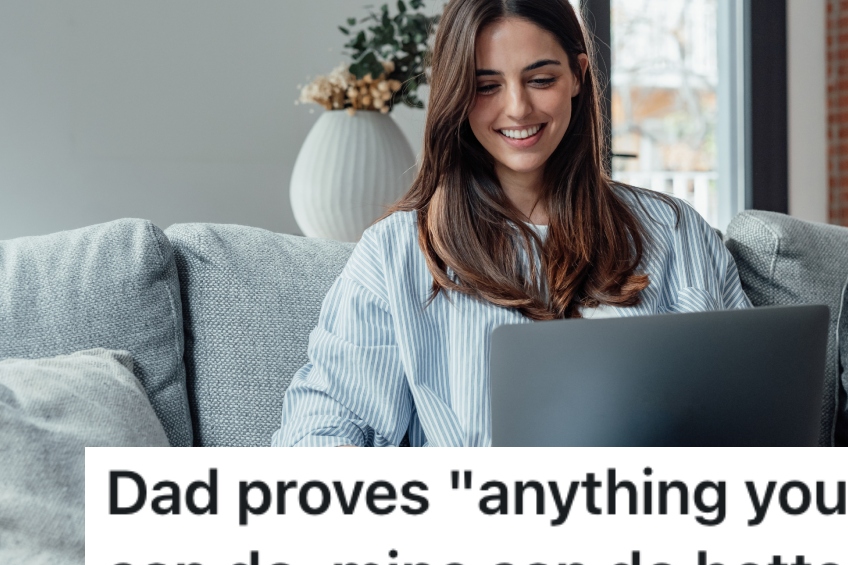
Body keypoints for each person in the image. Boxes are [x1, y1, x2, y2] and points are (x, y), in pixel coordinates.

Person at [271, 0, 750, 448]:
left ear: (578, 75)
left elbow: (746, 412)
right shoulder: (395, 253)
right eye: (487, 86)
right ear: (457, 92)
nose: (518, 108)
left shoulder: (674, 231)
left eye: (540, 79)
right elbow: (321, 433)